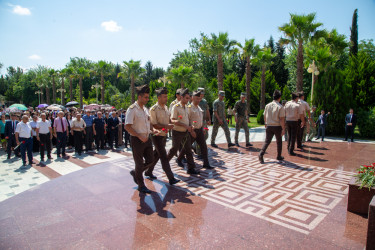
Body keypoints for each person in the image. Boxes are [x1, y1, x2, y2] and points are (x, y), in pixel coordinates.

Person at [147, 87, 180, 185]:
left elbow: (169, 120)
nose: (166, 98)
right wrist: (166, 126)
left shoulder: (166, 108)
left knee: (156, 155)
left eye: (166, 96)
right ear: (159, 98)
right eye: (164, 97)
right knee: (163, 156)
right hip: (156, 135)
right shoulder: (153, 109)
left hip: (164, 135)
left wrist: (173, 122)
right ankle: (171, 178)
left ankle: (148, 171)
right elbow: (154, 125)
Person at [125, 84, 154, 194]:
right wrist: (139, 136)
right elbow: (127, 126)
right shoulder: (132, 109)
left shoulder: (145, 109)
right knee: (139, 163)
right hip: (137, 140)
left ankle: (135, 172)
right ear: (139, 97)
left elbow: (148, 122)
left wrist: (153, 130)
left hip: (147, 138)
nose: (147, 99)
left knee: (151, 160)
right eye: (145, 97)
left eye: (148, 97)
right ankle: (141, 185)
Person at [167, 88, 200, 175]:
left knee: (188, 150)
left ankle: (191, 169)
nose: (188, 100)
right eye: (186, 98)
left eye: (189, 98)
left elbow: (187, 119)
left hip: (185, 132)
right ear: (181, 97)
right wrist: (185, 125)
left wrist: (191, 127)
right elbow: (172, 120)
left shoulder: (186, 107)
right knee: (174, 150)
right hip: (177, 132)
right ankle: (165, 164)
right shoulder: (176, 107)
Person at [179, 90, 213, 169]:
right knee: (186, 147)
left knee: (204, 147)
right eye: (197, 99)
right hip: (192, 131)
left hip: (200, 130)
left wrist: (203, 128)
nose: (198, 100)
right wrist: (191, 131)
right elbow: (187, 120)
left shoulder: (199, 107)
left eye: (199, 99)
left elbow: (200, 119)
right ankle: (179, 159)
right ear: (192, 98)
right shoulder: (189, 108)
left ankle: (206, 163)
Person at [259, 90, 286, 164]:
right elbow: (281, 119)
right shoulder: (280, 107)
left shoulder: (267, 105)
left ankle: (261, 153)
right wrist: (283, 128)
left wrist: (265, 123)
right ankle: (279, 156)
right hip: (277, 126)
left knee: (267, 141)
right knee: (279, 141)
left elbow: (264, 115)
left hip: (269, 125)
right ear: (279, 97)